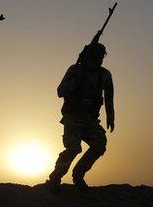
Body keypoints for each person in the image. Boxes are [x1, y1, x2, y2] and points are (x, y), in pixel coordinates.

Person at [45, 42, 115, 192]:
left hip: (90, 119)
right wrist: (76, 81)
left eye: (101, 57)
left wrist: (111, 117)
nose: (99, 60)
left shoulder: (104, 74)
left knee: (99, 145)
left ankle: (78, 175)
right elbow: (60, 91)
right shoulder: (75, 70)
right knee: (73, 148)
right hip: (73, 118)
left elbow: (109, 97)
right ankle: (55, 177)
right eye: (96, 56)